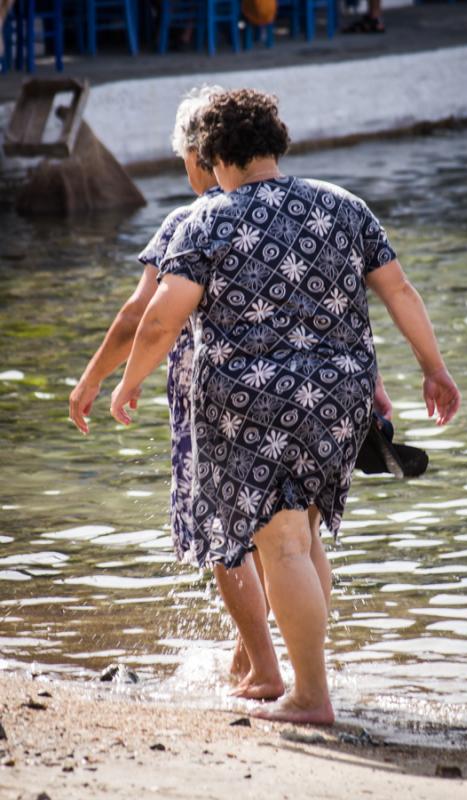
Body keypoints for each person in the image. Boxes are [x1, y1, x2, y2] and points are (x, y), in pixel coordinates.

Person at [110, 88, 460, 725]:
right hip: (339, 400)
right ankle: (309, 679)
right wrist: (434, 370)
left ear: (214, 154)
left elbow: (160, 321)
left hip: (251, 406)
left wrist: (129, 381)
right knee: (300, 536)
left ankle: (310, 696)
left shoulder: (206, 221)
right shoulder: (343, 206)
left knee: (285, 547)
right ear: (276, 143)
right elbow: (399, 290)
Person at [68, 86, 284, 702]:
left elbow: (142, 316)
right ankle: (254, 659)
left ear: (200, 157)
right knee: (276, 533)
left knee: (224, 535)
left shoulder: (188, 222)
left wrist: (95, 380)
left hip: (213, 403)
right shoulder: (286, 208)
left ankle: (259, 667)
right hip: (292, 399)